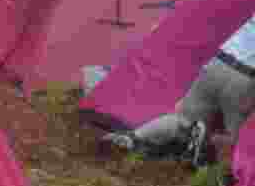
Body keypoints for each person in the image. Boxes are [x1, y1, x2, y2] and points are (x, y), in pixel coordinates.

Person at [100, 17, 255, 167]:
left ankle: (135, 137)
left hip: (216, 65)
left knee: (183, 118)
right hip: (245, 79)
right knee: (241, 141)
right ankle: (207, 144)